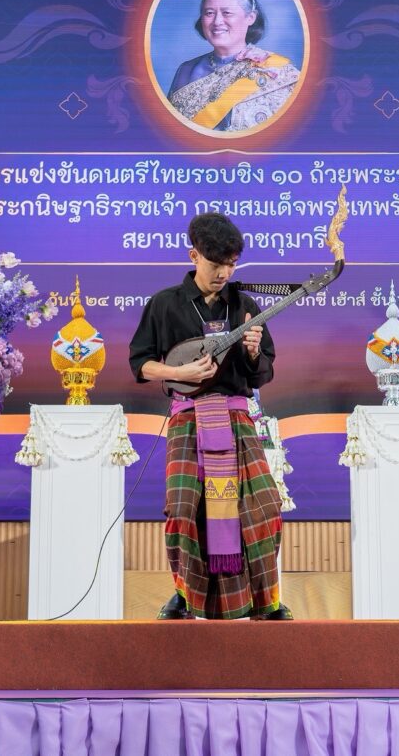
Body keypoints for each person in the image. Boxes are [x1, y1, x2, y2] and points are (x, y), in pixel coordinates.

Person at [128, 213, 292, 620]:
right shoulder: (165, 304)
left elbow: (262, 373)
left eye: (231, 265)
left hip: (236, 417)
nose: (224, 273)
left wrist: (252, 352)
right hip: (188, 419)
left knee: (264, 506)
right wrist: (179, 373)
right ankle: (184, 596)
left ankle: (267, 600)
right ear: (194, 256)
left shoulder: (246, 305)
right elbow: (141, 363)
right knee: (183, 510)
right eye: (216, 264)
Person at [167, 0, 301, 133]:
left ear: (250, 17)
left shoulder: (276, 72)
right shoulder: (185, 70)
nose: (217, 21)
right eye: (209, 13)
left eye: (227, 13)